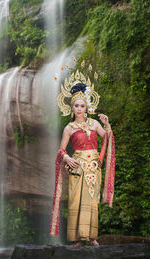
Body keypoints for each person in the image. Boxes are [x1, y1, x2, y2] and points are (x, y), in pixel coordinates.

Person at [49, 78, 115, 247]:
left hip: (93, 167)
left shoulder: (94, 124)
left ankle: (91, 237)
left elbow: (106, 137)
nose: (79, 109)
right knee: (75, 201)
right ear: (72, 108)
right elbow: (61, 150)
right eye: (76, 106)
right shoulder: (69, 128)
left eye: (82, 106)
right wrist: (67, 158)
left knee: (91, 202)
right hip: (77, 167)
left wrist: (107, 125)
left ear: (87, 107)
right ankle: (77, 239)